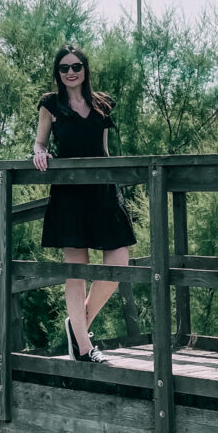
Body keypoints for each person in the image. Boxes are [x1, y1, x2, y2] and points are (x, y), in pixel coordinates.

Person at [33, 44, 136, 363]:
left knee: (119, 261)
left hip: (103, 191)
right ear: (58, 73)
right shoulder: (50, 104)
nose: (71, 72)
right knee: (76, 269)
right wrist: (39, 152)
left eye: (76, 66)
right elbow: (40, 140)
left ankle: (78, 326)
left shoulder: (101, 103)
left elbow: (104, 150)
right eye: (64, 68)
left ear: (85, 68)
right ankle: (84, 346)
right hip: (69, 194)